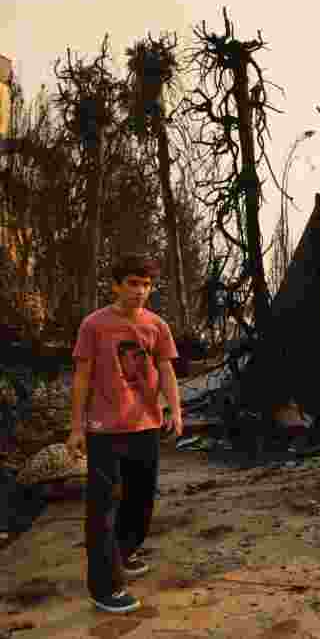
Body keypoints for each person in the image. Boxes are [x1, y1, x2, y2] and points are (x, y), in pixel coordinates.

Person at [67, 254, 181, 613]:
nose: (140, 291)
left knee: (141, 499)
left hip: (145, 424)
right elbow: (82, 377)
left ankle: (123, 551)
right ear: (116, 285)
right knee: (103, 507)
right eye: (132, 283)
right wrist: (76, 427)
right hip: (105, 428)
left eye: (146, 284)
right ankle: (105, 586)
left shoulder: (157, 325)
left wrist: (175, 410)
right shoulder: (94, 325)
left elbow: (166, 370)